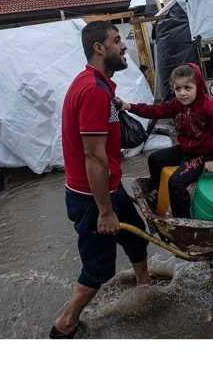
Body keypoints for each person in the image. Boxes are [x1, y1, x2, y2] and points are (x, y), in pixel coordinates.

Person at [52, 21, 151, 339]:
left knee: (137, 237)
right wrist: (105, 211)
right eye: (117, 40)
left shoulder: (97, 84)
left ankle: (144, 288)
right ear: (99, 48)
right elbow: (93, 157)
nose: (124, 47)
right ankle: (65, 325)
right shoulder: (93, 91)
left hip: (106, 187)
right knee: (99, 269)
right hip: (93, 196)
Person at [118, 63, 213, 219]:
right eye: (178, 89)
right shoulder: (176, 105)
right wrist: (129, 106)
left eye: (187, 88)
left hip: (205, 155)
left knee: (176, 182)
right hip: (187, 150)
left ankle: (183, 222)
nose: (183, 93)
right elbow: (155, 110)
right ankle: (156, 194)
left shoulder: (211, 107)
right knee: (155, 159)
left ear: (198, 85)